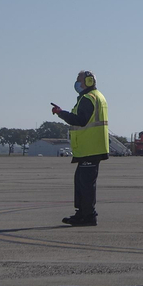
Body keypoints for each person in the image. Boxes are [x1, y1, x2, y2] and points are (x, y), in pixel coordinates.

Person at [51, 70, 109, 226]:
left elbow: (80, 120)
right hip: (91, 148)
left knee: (86, 184)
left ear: (88, 82)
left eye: (79, 80)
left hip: (90, 148)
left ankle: (88, 215)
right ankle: (82, 213)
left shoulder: (88, 98)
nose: (76, 83)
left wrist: (61, 113)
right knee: (81, 182)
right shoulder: (97, 96)